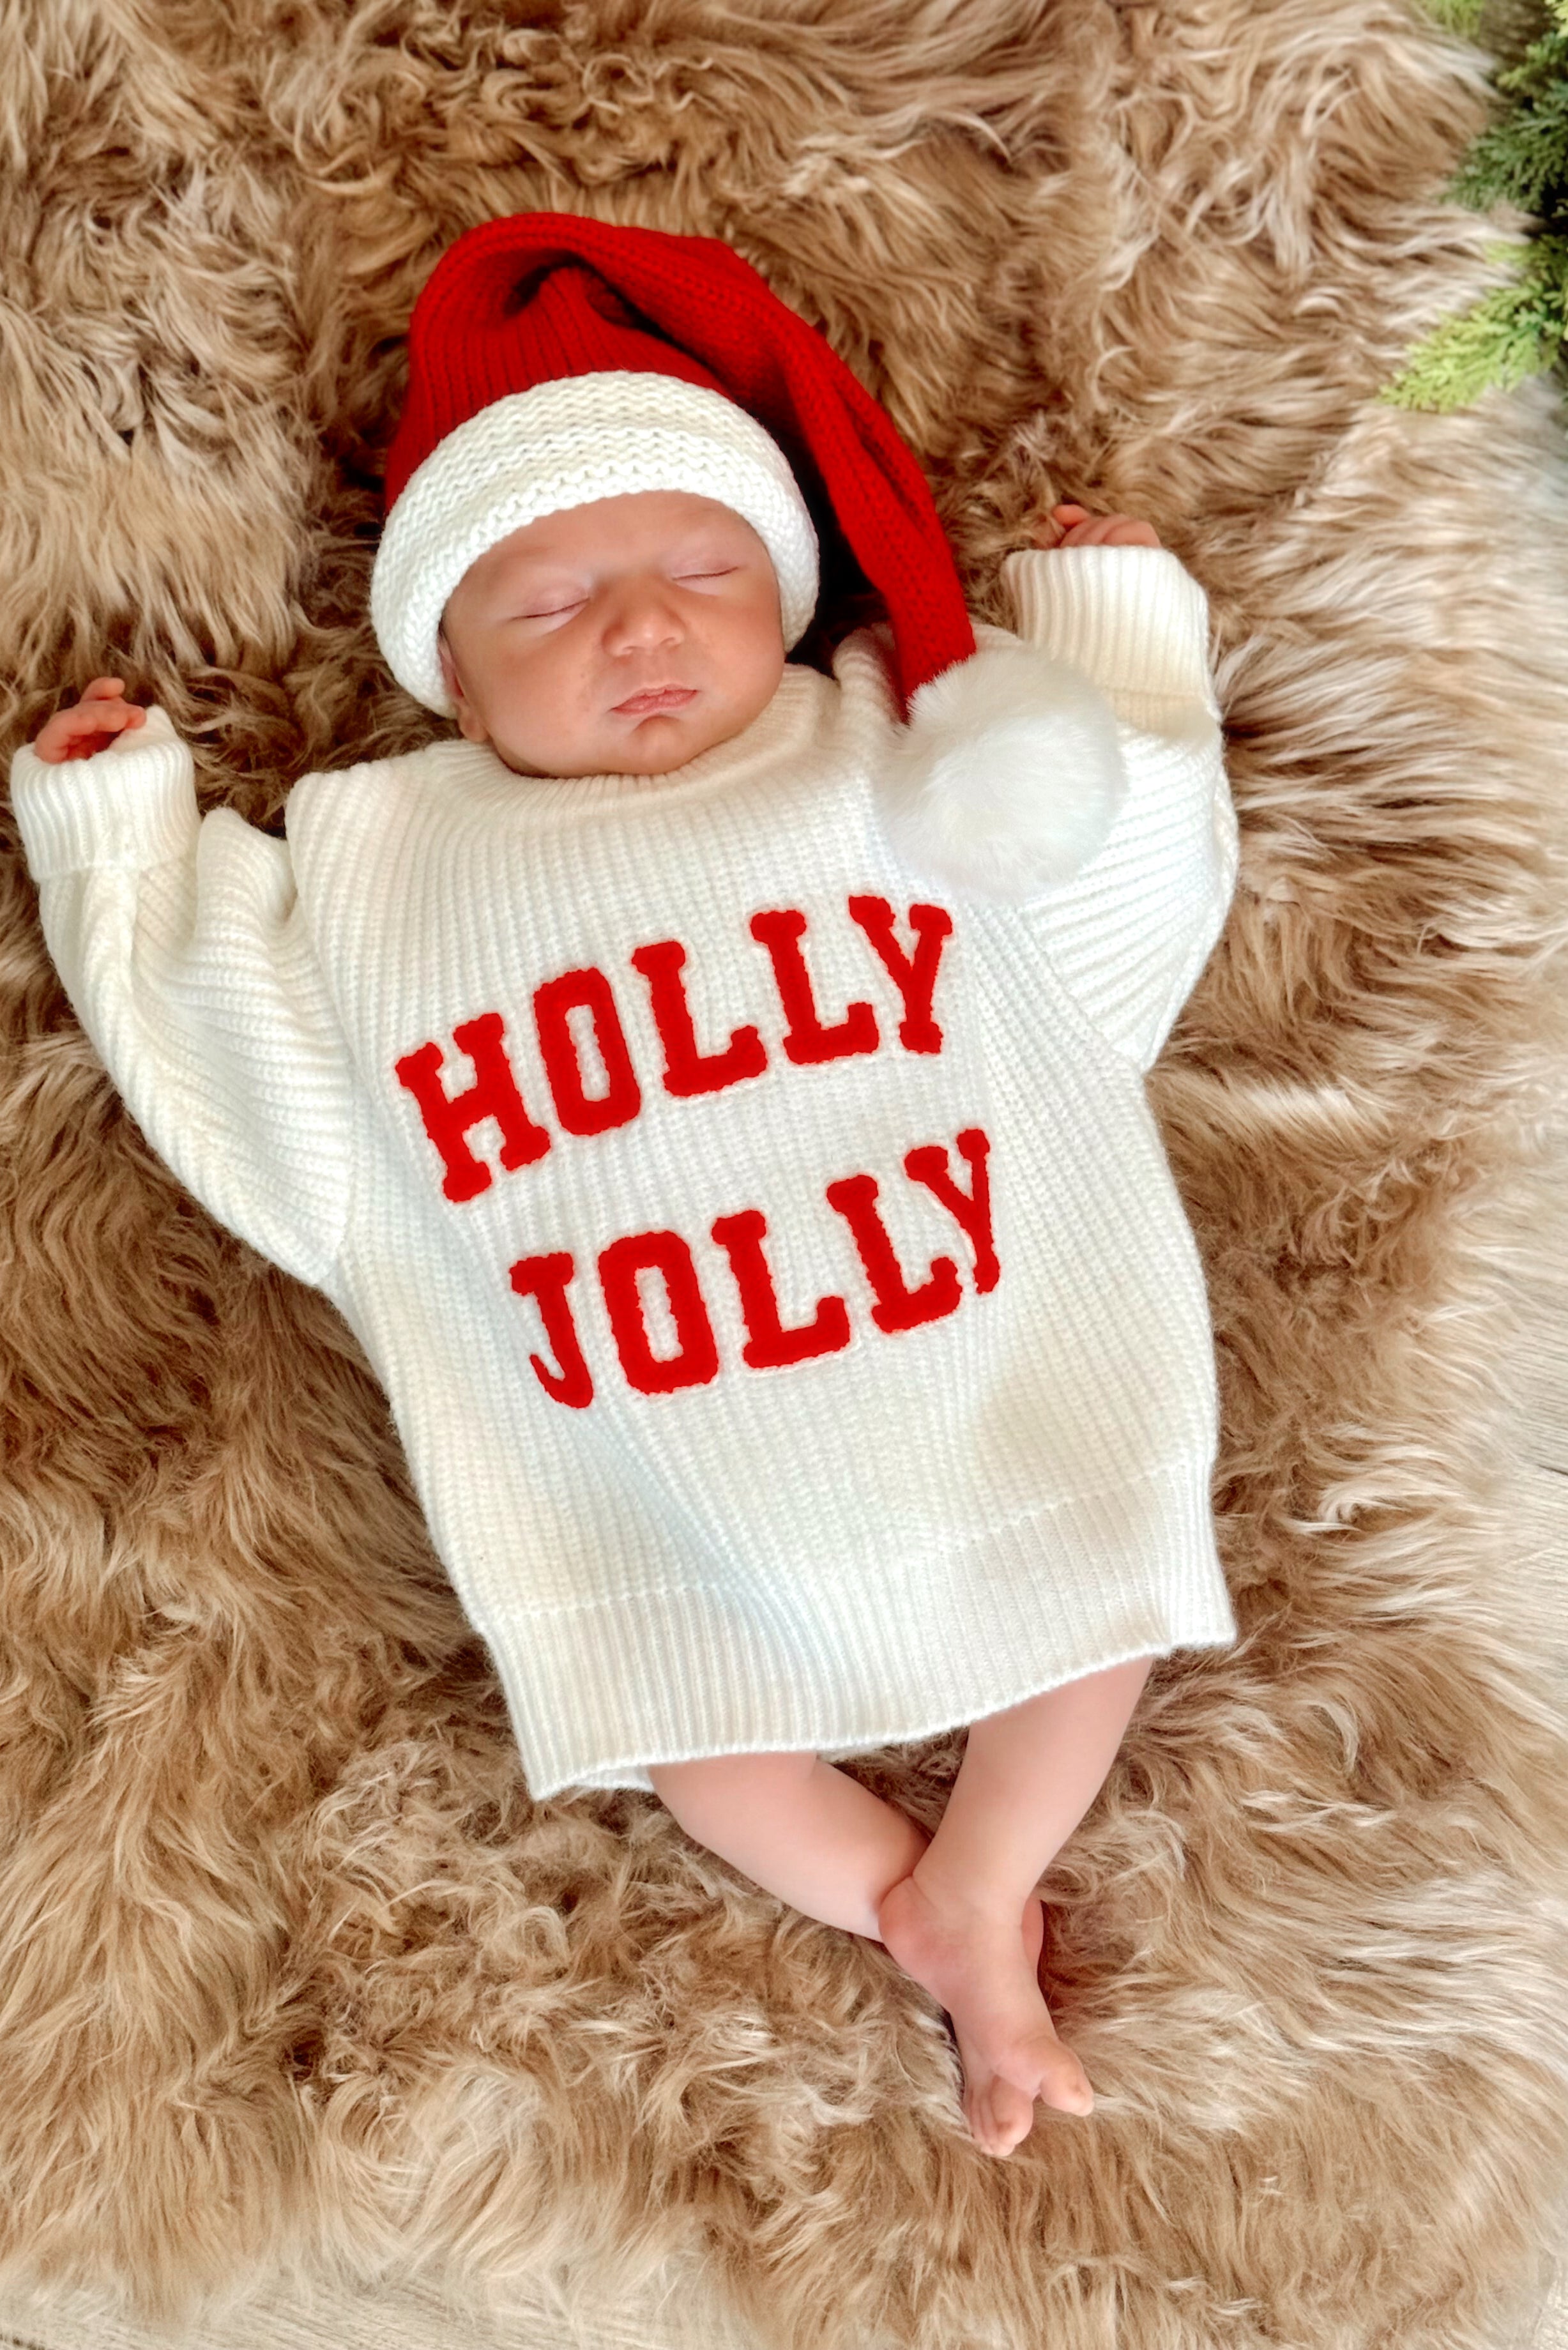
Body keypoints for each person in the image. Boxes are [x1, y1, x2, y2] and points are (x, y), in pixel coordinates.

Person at [10, 213, 1239, 2162]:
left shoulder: (896, 757)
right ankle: (909, 1904)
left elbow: (1108, 894)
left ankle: (976, 1885)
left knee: (1101, 1598)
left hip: (982, 1368)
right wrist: (125, 853)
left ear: (791, 587)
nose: (640, 628)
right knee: (697, 1723)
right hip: (650, 1460)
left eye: (699, 571)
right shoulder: (390, 869)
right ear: (452, 680)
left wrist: (1100, 645)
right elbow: (260, 1104)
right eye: (550, 603)